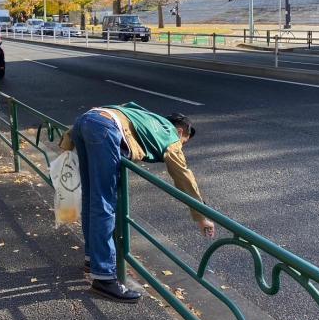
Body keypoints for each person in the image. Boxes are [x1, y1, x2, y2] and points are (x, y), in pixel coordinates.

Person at [70, 104, 214, 303]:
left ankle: (92, 259)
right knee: (104, 203)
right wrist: (201, 216)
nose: (181, 147)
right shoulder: (171, 135)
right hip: (104, 128)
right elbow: (183, 176)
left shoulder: (149, 118)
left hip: (85, 121)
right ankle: (104, 278)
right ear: (180, 131)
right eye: (184, 143)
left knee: (92, 198)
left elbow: (125, 108)